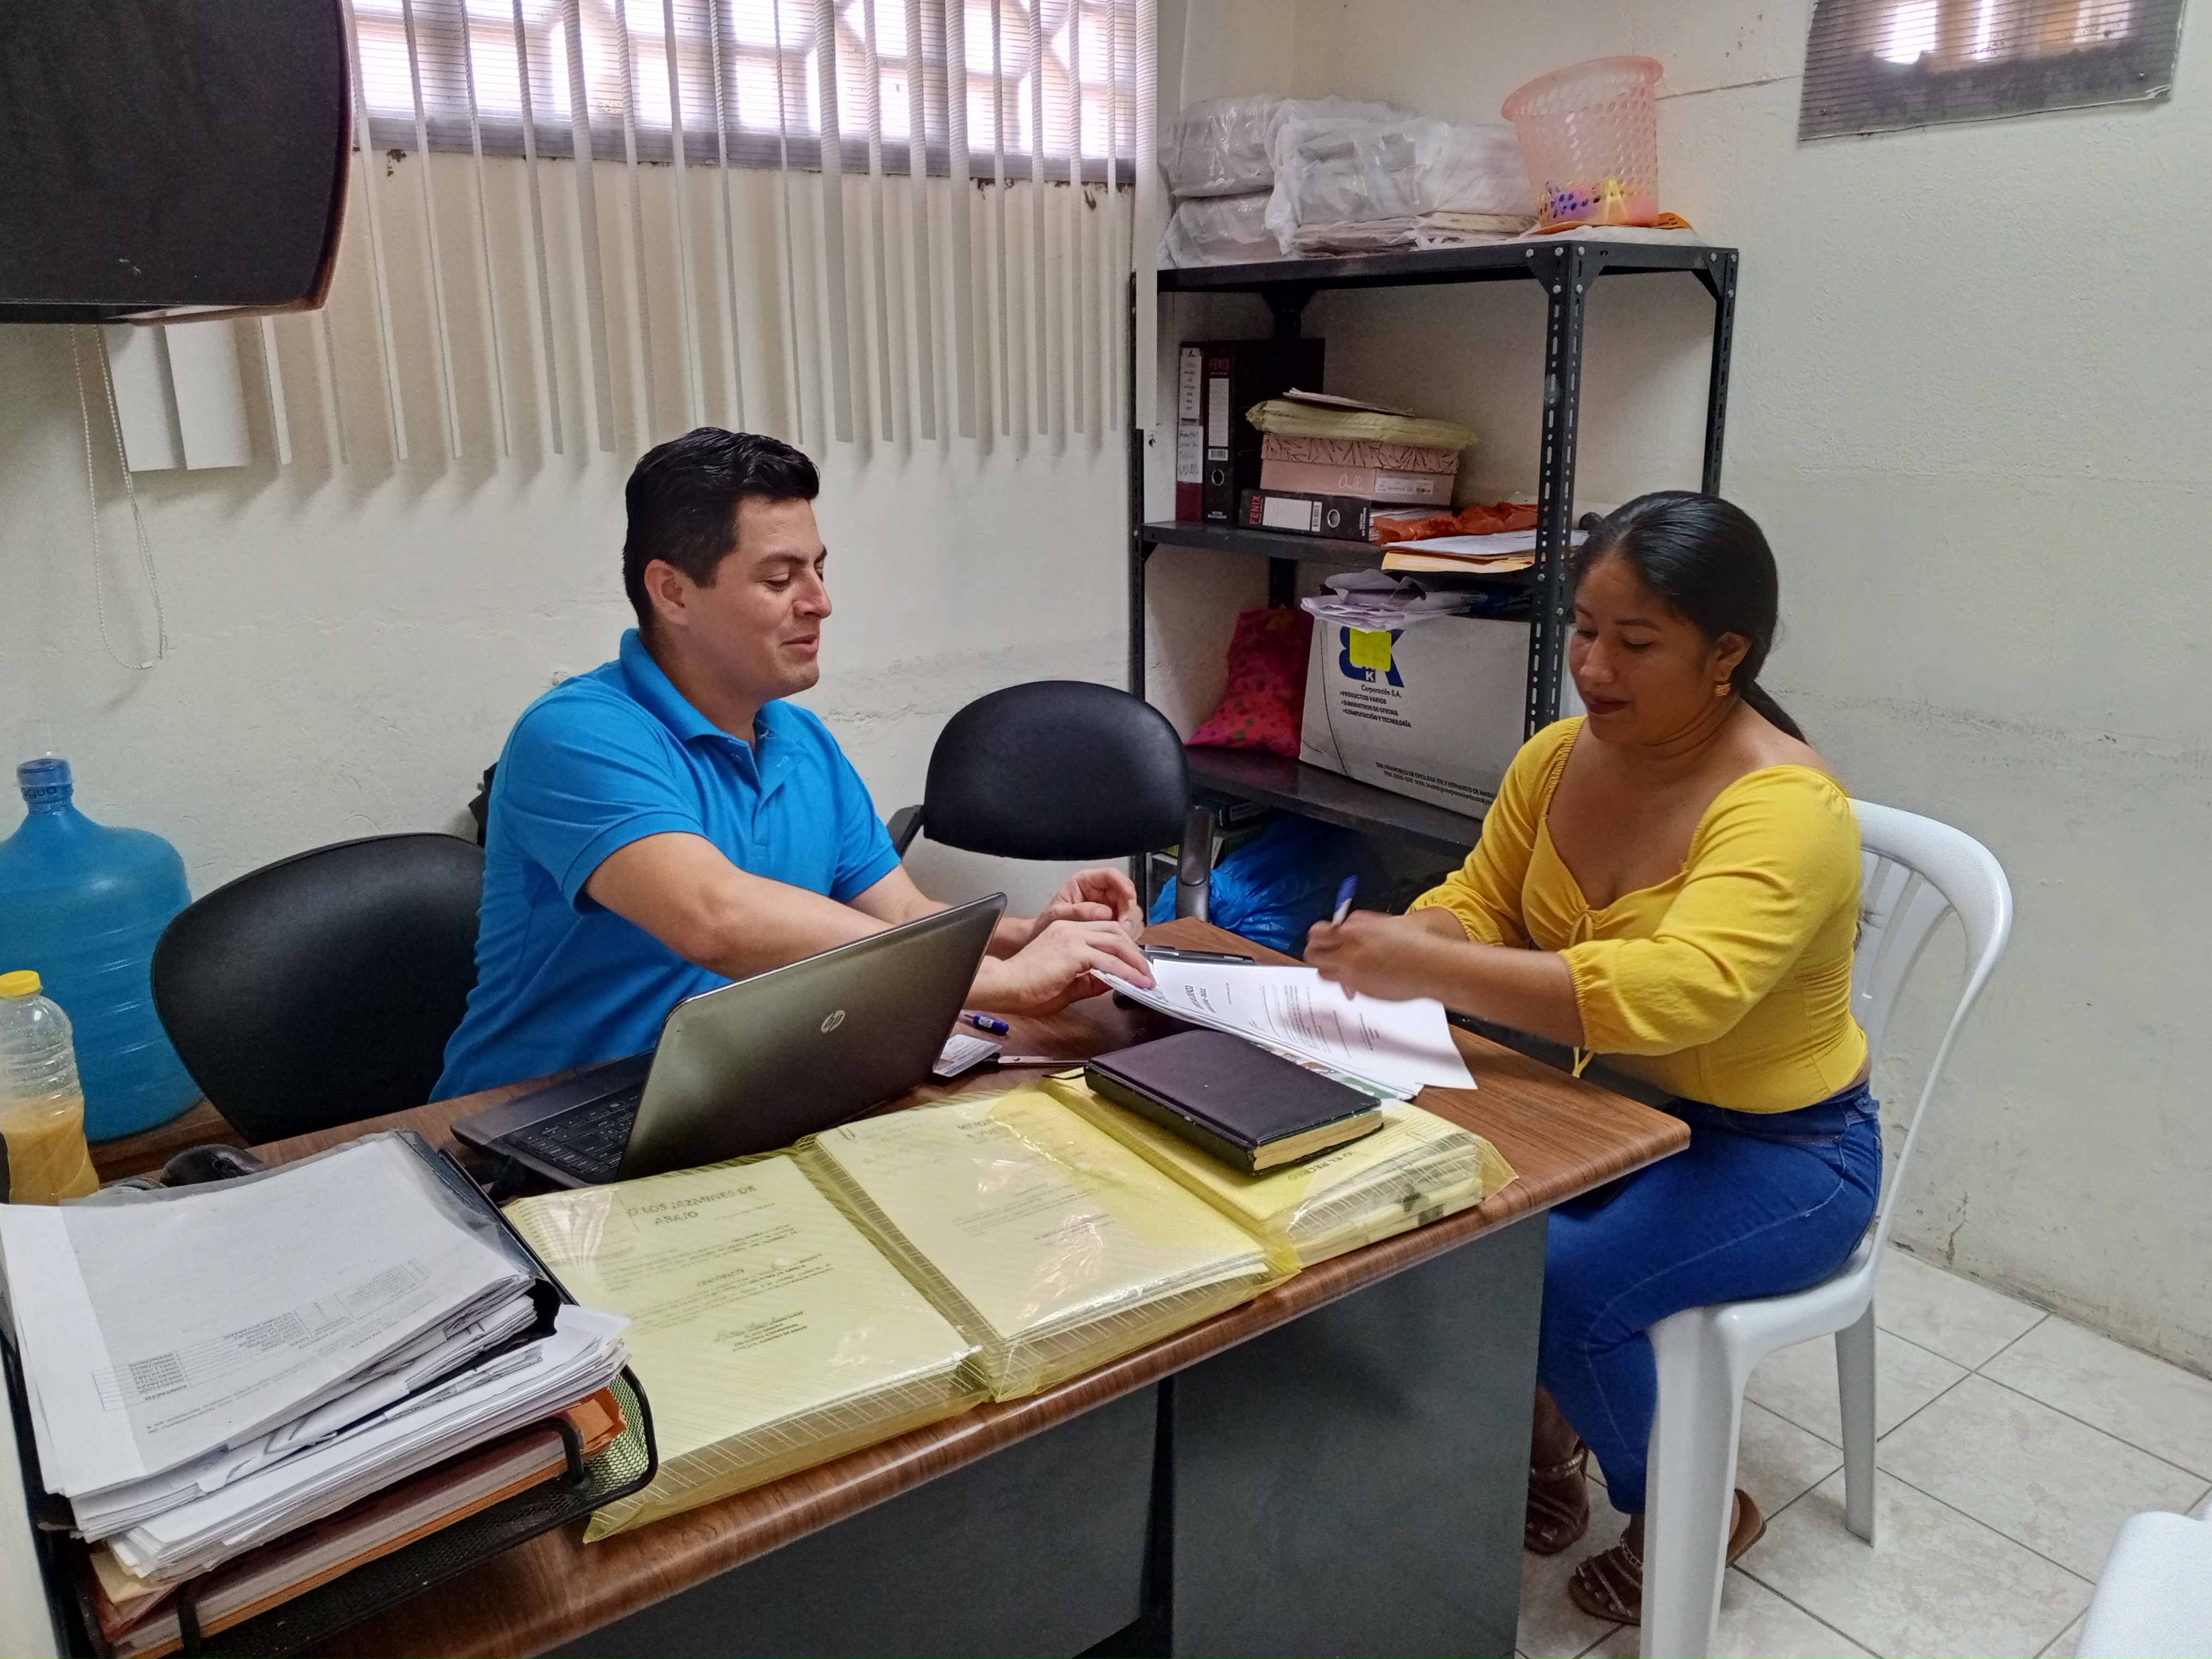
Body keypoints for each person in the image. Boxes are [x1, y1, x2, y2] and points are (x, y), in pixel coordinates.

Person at [1303, 491, 1878, 1627]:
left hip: (1784, 1153)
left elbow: (1677, 995)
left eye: (1636, 642)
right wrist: (1412, 937)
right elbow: (1482, 899)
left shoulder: (1788, 810)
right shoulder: (1560, 758)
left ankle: (1692, 1507)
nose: (1593, 667)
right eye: (1582, 628)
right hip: (1613, 1116)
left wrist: (1431, 970)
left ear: (1726, 654)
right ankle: (1547, 1428)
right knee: (1432, 1197)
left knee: (1563, 1281)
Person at [434, 428, 1153, 1101]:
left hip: (733, 1095)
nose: (821, 603)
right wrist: (999, 982)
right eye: (780, 579)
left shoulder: (802, 741)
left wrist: (1031, 935)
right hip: (541, 1118)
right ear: (673, 591)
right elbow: (716, 917)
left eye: (819, 569)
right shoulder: (576, 735)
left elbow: (904, 914)